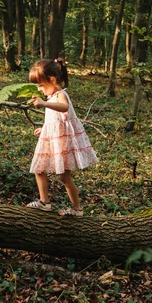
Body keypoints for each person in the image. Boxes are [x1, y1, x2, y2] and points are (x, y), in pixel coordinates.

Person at [25, 58, 98, 216]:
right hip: (52, 140)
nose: (39, 89)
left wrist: (44, 104)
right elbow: (54, 120)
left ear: (52, 80)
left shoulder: (60, 95)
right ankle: (44, 202)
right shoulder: (51, 98)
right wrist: (43, 129)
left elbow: (64, 107)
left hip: (62, 143)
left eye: (41, 85)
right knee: (38, 169)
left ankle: (77, 209)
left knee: (64, 177)